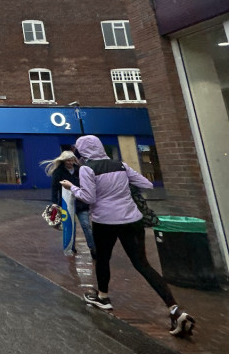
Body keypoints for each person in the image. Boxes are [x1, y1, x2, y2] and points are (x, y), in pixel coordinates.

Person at [61, 135, 195, 338]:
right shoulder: (120, 165)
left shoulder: (88, 169)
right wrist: (121, 189)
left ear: (84, 151)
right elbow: (145, 183)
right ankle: (174, 309)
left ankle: (103, 297)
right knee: (143, 264)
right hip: (132, 220)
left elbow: (89, 197)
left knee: (103, 259)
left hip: (105, 221)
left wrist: (72, 188)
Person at [42, 150, 95, 257]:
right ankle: (71, 247)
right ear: (63, 161)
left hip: (80, 202)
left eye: (71, 160)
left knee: (86, 225)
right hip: (66, 203)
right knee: (70, 226)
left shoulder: (80, 170)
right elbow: (55, 188)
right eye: (67, 160)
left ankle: (93, 248)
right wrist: (55, 203)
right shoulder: (59, 171)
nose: (70, 162)